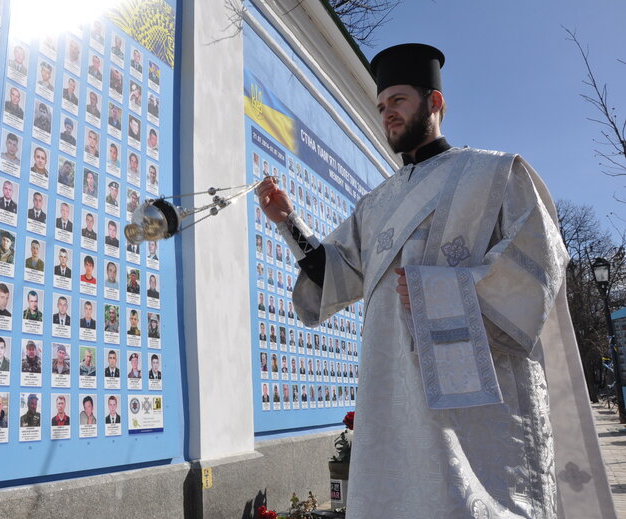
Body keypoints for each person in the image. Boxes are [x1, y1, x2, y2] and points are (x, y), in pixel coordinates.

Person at [256, 43, 612, 517]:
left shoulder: (494, 172)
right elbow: (338, 275)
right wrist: (288, 222)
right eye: (381, 106)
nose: (387, 113)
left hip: (478, 405)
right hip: (393, 390)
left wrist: (445, 292)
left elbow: (539, 262)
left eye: (398, 100)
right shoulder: (375, 205)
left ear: (435, 103)